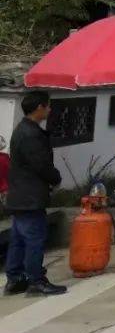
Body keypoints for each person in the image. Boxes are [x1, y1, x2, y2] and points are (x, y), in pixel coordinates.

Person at [4, 91, 65, 296]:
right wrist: (56, 179)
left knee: (19, 239)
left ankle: (15, 278)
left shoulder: (23, 130)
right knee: (34, 239)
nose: (49, 110)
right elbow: (41, 165)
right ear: (39, 107)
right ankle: (36, 281)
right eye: (48, 106)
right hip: (29, 195)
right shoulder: (30, 134)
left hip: (20, 195)